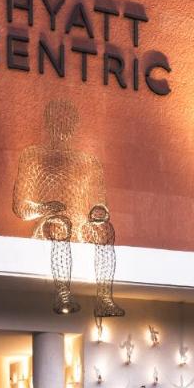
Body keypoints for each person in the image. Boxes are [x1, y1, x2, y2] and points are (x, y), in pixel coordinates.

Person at [12, 98, 124, 317]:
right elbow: (21, 207)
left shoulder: (88, 162)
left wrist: (99, 213)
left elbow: (99, 202)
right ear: (49, 124)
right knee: (60, 225)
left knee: (105, 231)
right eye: (57, 122)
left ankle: (104, 298)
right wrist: (45, 207)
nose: (62, 129)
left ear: (74, 127)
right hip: (51, 224)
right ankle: (62, 293)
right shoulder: (33, 156)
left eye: (67, 123)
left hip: (81, 228)